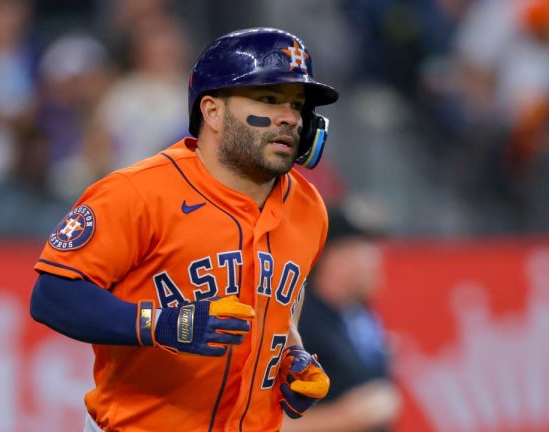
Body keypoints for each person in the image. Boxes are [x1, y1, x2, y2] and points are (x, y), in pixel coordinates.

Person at [29, 27, 339, 431]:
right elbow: (53, 295)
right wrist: (160, 324)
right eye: (268, 99)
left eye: (297, 106)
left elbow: (283, 300)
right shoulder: (138, 192)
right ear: (211, 111)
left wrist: (291, 355)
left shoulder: (309, 207)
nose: (289, 118)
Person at [282, 209, 401, 432]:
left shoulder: (358, 315)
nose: (378, 258)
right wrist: (344, 418)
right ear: (335, 257)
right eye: (366, 247)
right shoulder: (298, 322)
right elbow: (264, 422)